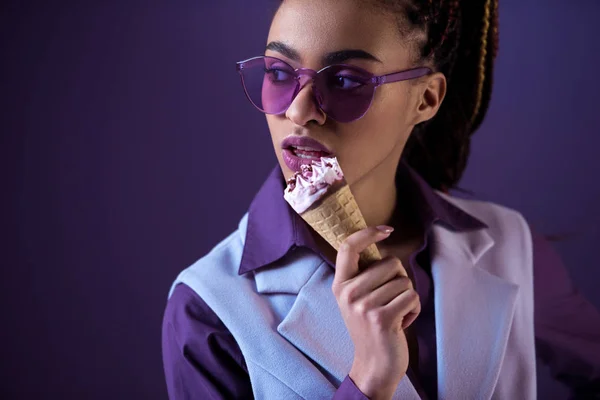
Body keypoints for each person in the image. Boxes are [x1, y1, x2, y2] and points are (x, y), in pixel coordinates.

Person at [161, 0, 600, 398]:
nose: (298, 111)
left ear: (426, 99)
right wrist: (368, 380)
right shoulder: (208, 307)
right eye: (279, 73)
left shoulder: (512, 246)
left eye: (347, 80)